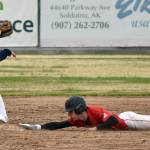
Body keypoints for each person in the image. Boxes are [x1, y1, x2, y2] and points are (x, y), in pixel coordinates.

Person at [19, 96, 150, 131]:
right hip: (125, 126)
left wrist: (96, 128)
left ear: (79, 109)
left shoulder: (95, 111)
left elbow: (114, 120)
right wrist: (39, 127)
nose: (69, 115)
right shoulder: (77, 120)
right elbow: (59, 125)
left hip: (128, 120)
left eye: (70, 111)